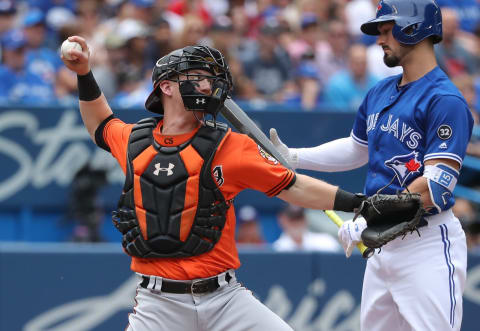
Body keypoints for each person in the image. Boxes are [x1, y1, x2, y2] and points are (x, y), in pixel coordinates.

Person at [60, 37, 370, 331]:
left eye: (211, 78)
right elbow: (99, 123)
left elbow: (295, 187)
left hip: (224, 298)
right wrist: (84, 73)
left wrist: (360, 203)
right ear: (166, 86)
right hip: (158, 303)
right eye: (197, 76)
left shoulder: (232, 145)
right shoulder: (135, 141)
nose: (209, 85)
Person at [270, 1, 473, 330]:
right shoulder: (379, 92)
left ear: (414, 27)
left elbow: (436, 184)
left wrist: (370, 216)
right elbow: (355, 149)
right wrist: (296, 157)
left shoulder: (444, 99)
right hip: (383, 245)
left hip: (427, 244)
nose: (380, 39)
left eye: (386, 29)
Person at [272, 203, 340, 252]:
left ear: (305, 219)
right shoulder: (277, 248)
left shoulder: (326, 242)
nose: (296, 223)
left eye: (299, 218)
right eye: (292, 219)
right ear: (282, 220)